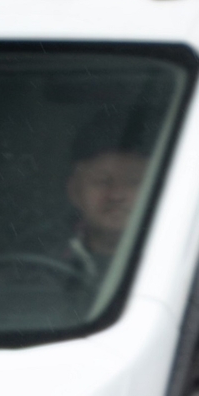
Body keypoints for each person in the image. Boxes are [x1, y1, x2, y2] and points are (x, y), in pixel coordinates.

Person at [61, 116, 151, 284]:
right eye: (102, 181)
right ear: (74, 191)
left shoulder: (175, 258)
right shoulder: (33, 259)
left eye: (134, 181)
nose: (116, 195)